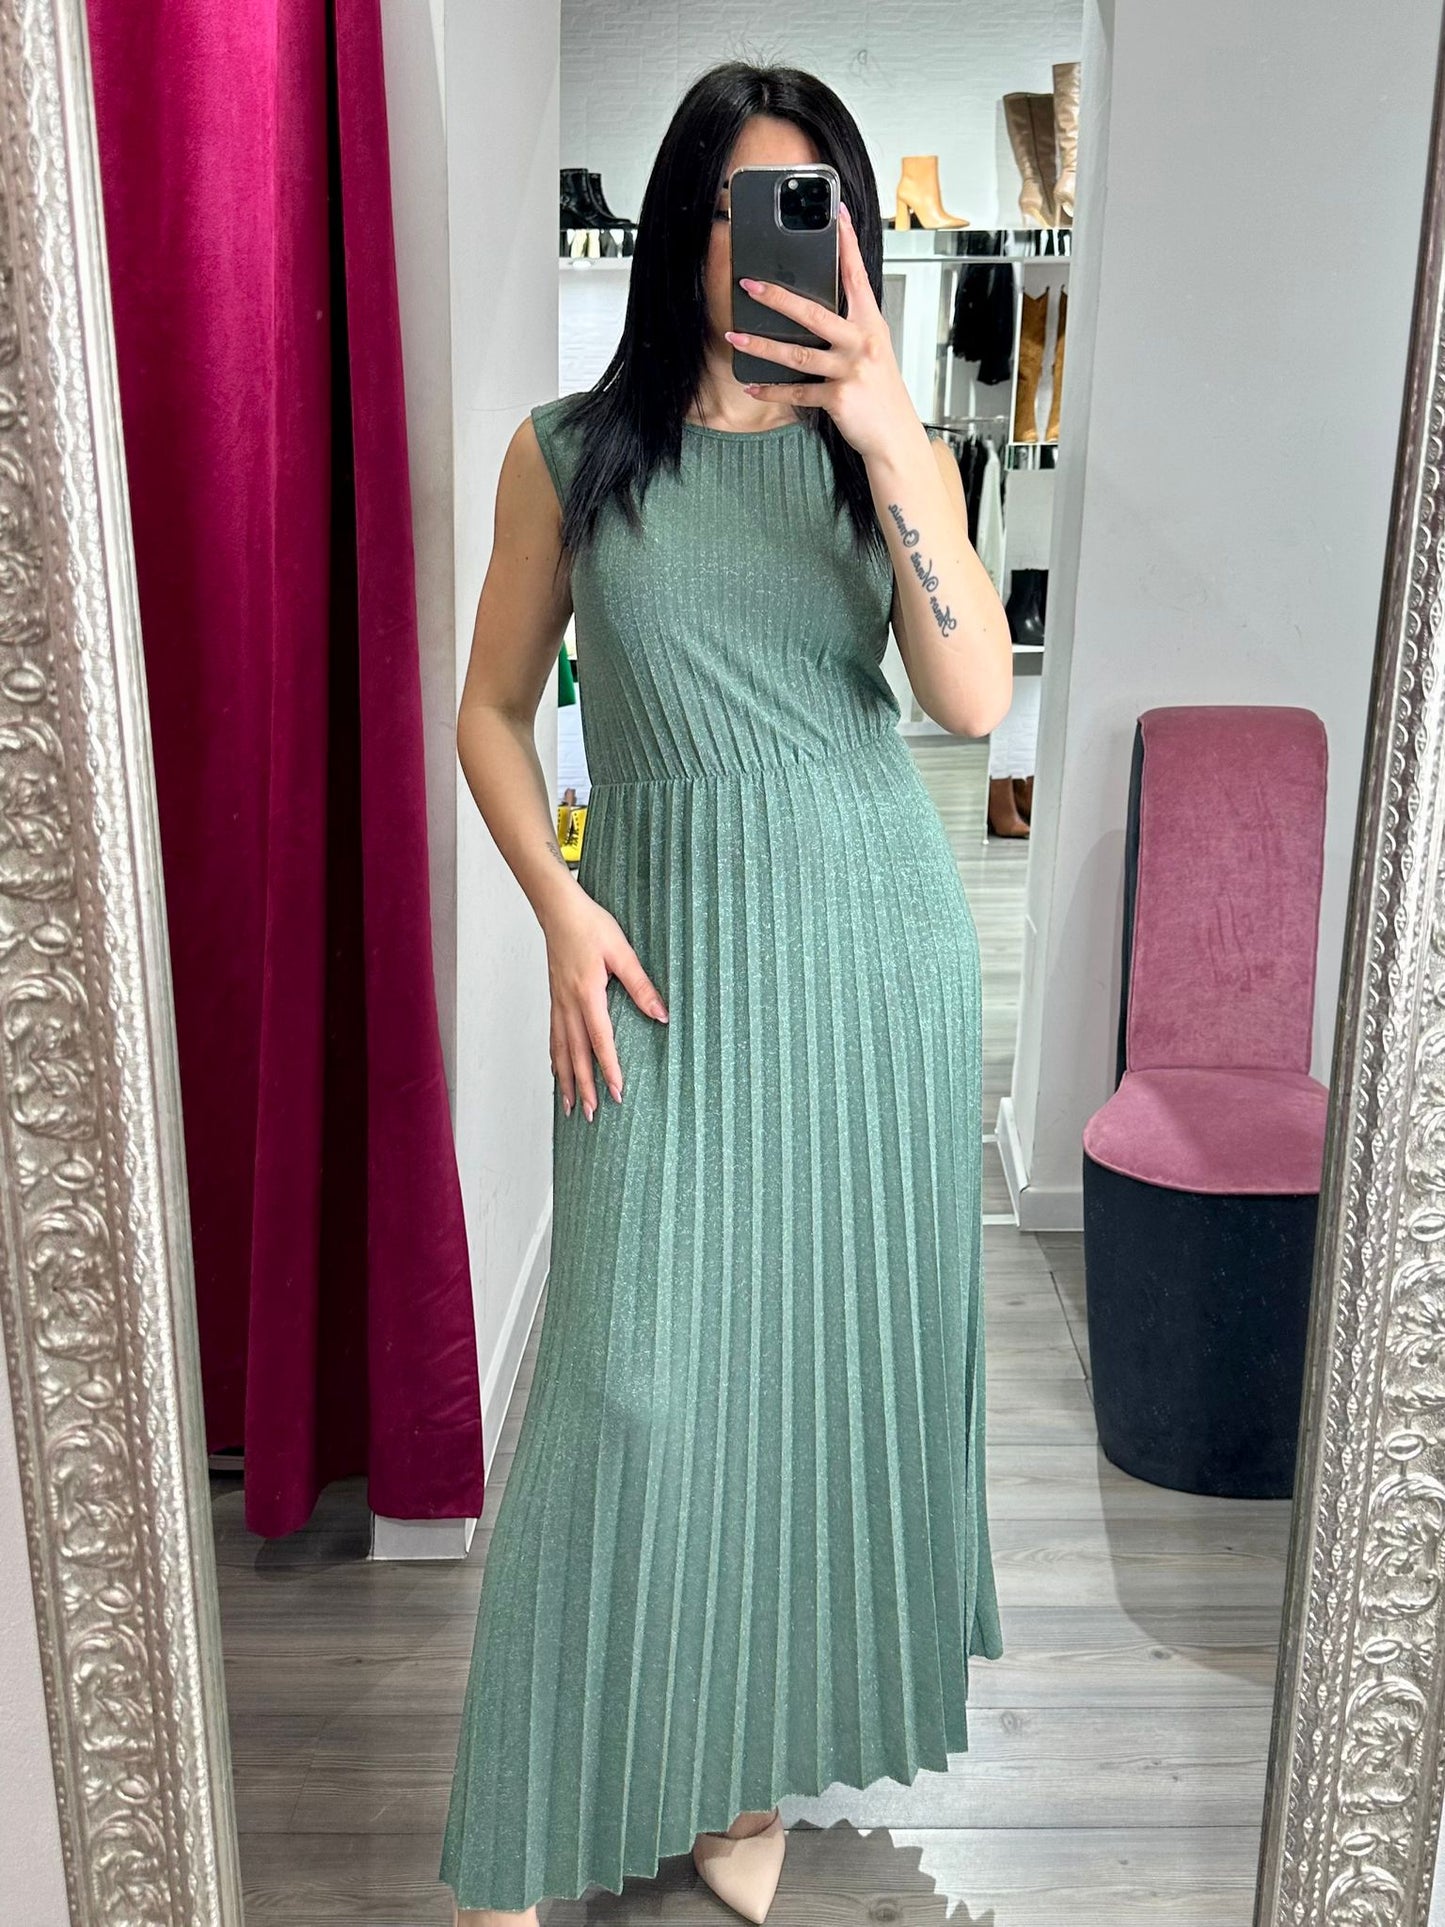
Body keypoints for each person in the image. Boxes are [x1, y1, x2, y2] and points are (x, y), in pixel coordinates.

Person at [441, 59, 1013, 1927]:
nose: (765, 246)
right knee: (624, 1389)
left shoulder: (879, 452)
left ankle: (741, 1765)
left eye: (804, 208)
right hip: (662, 961)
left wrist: (888, 428)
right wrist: (556, 907)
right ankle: (520, 1832)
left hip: (867, 959)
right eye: (735, 208)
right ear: (683, 226)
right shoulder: (566, 455)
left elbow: (971, 702)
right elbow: (490, 713)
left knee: (792, 1384)